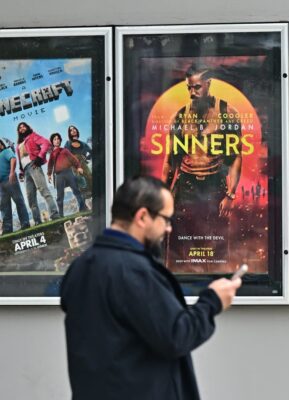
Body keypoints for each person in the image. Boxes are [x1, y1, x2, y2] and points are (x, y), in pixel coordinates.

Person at [60, 176, 242, 400]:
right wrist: (213, 301)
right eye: (166, 219)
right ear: (143, 217)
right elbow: (177, 335)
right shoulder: (134, 271)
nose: (169, 228)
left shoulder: (81, 267)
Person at [163, 65, 242, 271]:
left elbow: (236, 157)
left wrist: (230, 194)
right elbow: (170, 160)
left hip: (214, 187)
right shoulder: (180, 116)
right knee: (179, 251)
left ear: (209, 84)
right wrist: (163, 195)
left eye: (197, 87)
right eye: (189, 88)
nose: (192, 93)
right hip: (186, 187)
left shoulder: (226, 112)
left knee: (216, 251)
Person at [15, 122, 59, 224]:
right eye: (20, 128)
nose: (22, 128)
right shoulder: (18, 145)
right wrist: (21, 171)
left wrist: (39, 157)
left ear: (27, 128)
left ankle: (55, 215)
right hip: (25, 170)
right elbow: (21, 159)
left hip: (33, 165)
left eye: (24, 126)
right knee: (30, 197)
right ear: (18, 131)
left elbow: (46, 143)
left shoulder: (33, 136)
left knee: (44, 190)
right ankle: (37, 221)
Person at [47, 133, 88, 217]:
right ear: (52, 142)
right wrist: (49, 174)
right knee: (59, 195)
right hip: (59, 175)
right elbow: (50, 164)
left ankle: (82, 208)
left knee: (76, 190)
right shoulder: (52, 154)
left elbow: (74, 159)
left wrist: (78, 167)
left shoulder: (65, 150)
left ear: (60, 140)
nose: (57, 140)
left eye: (58, 139)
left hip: (69, 172)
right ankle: (61, 215)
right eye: (55, 139)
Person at [0, 138, 30, 234]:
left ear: (1, 145)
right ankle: (7, 229)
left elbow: (13, 159)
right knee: (4, 206)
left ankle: (25, 223)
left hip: (10, 180)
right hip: (1, 185)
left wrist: (12, 173)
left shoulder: (6, 151)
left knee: (18, 201)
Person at [64, 125, 93, 198]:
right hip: (74, 165)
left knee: (89, 177)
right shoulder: (68, 143)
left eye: (74, 129)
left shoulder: (83, 144)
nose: (73, 130)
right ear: (69, 133)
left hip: (83, 163)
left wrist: (86, 158)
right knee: (80, 179)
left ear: (77, 130)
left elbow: (92, 152)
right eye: (71, 130)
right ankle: (84, 196)